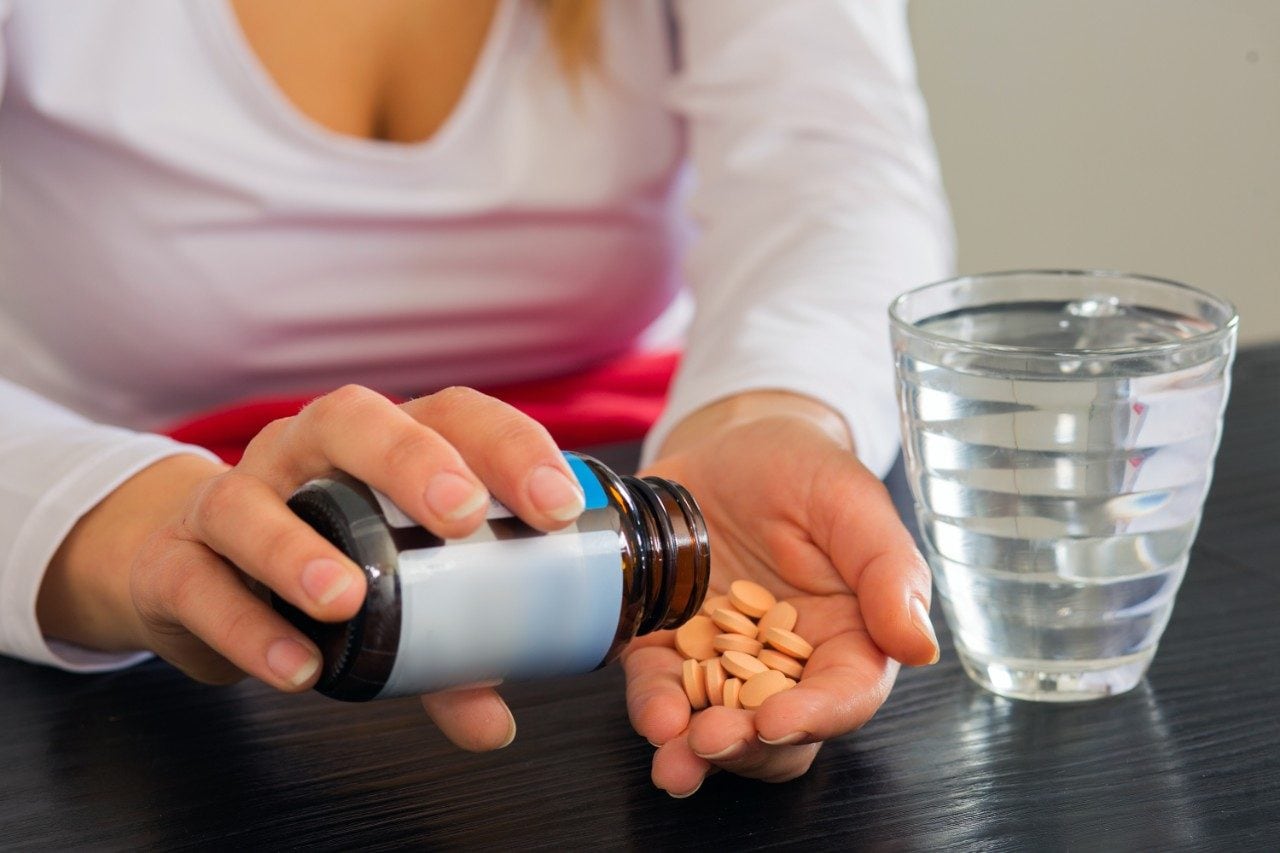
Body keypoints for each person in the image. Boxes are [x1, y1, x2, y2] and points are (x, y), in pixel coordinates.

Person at [0, 0, 951, 797]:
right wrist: (137, 527)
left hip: (635, 469)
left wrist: (766, 414)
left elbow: (832, 171)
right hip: (131, 504)